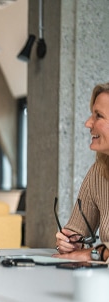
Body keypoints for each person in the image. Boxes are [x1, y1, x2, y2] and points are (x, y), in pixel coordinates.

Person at [54, 83, 109, 263]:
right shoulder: (99, 171)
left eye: (98, 116)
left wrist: (94, 253)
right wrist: (70, 242)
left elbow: (92, 253)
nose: (88, 123)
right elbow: (77, 230)